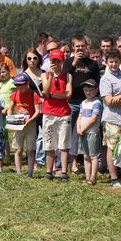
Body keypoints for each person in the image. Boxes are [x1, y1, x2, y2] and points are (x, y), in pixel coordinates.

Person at [66, 35, 101, 173]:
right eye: (77, 46)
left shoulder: (92, 64)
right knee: (73, 133)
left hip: (88, 103)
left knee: (88, 132)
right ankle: (73, 162)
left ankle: (91, 161)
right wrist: (75, 61)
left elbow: (97, 82)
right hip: (72, 102)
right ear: (73, 47)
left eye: (82, 46)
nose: (80, 48)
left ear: (87, 46)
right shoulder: (69, 62)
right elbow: (64, 75)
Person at [99, 49, 121, 188]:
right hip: (112, 118)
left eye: (116, 61)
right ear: (106, 62)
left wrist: (120, 97)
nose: (114, 64)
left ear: (120, 61)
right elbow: (109, 101)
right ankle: (114, 178)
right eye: (111, 62)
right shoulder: (105, 79)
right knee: (112, 148)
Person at [41, 48, 73, 181]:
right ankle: (49, 171)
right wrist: (52, 76)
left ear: (62, 61)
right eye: (53, 61)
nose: (55, 63)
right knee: (49, 143)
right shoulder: (45, 75)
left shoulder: (68, 75)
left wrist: (53, 96)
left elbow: (69, 94)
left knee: (64, 143)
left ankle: (64, 171)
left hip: (64, 114)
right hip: (49, 113)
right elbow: (45, 92)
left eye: (58, 61)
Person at [7, 73, 42, 177]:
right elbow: (10, 107)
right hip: (18, 124)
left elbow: (37, 111)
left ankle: (30, 172)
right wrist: (10, 116)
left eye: (21, 84)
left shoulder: (33, 94)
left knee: (30, 150)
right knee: (18, 149)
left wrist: (30, 120)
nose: (19, 87)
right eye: (17, 85)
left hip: (30, 125)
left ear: (27, 83)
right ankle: (18, 171)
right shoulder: (15, 94)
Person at [77, 79, 102, 185]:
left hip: (92, 133)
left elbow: (93, 119)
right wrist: (78, 128)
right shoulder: (83, 103)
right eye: (86, 90)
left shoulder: (97, 103)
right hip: (82, 133)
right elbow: (80, 117)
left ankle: (93, 178)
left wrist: (83, 129)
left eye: (90, 90)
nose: (88, 92)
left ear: (96, 90)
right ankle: (87, 177)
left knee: (93, 156)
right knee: (85, 156)